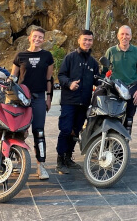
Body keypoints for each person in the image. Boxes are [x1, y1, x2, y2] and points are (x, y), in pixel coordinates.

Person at [11, 27, 54, 180]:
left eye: (41, 37)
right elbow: (13, 78)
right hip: (21, 99)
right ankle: (16, 162)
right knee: (17, 130)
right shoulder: (20, 55)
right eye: (35, 36)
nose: (37, 39)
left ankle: (40, 166)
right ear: (29, 37)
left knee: (39, 131)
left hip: (38, 98)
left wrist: (49, 98)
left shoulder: (47, 56)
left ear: (44, 40)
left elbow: (49, 79)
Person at [56, 29, 100, 174]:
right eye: (85, 39)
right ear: (79, 40)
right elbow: (61, 75)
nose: (87, 42)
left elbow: (97, 79)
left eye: (90, 40)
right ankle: (60, 160)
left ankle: (69, 158)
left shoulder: (93, 62)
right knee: (66, 130)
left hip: (84, 102)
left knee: (75, 132)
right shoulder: (70, 58)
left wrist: (105, 79)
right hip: (69, 101)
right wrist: (69, 84)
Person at [104, 25, 137, 135]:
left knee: (129, 118)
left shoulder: (136, 51)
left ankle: (125, 139)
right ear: (118, 36)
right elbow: (104, 71)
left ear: (131, 36)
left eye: (127, 34)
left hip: (132, 87)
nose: (124, 37)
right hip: (115, 88)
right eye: (122, 34)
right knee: (113, 116)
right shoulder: (111, 51)